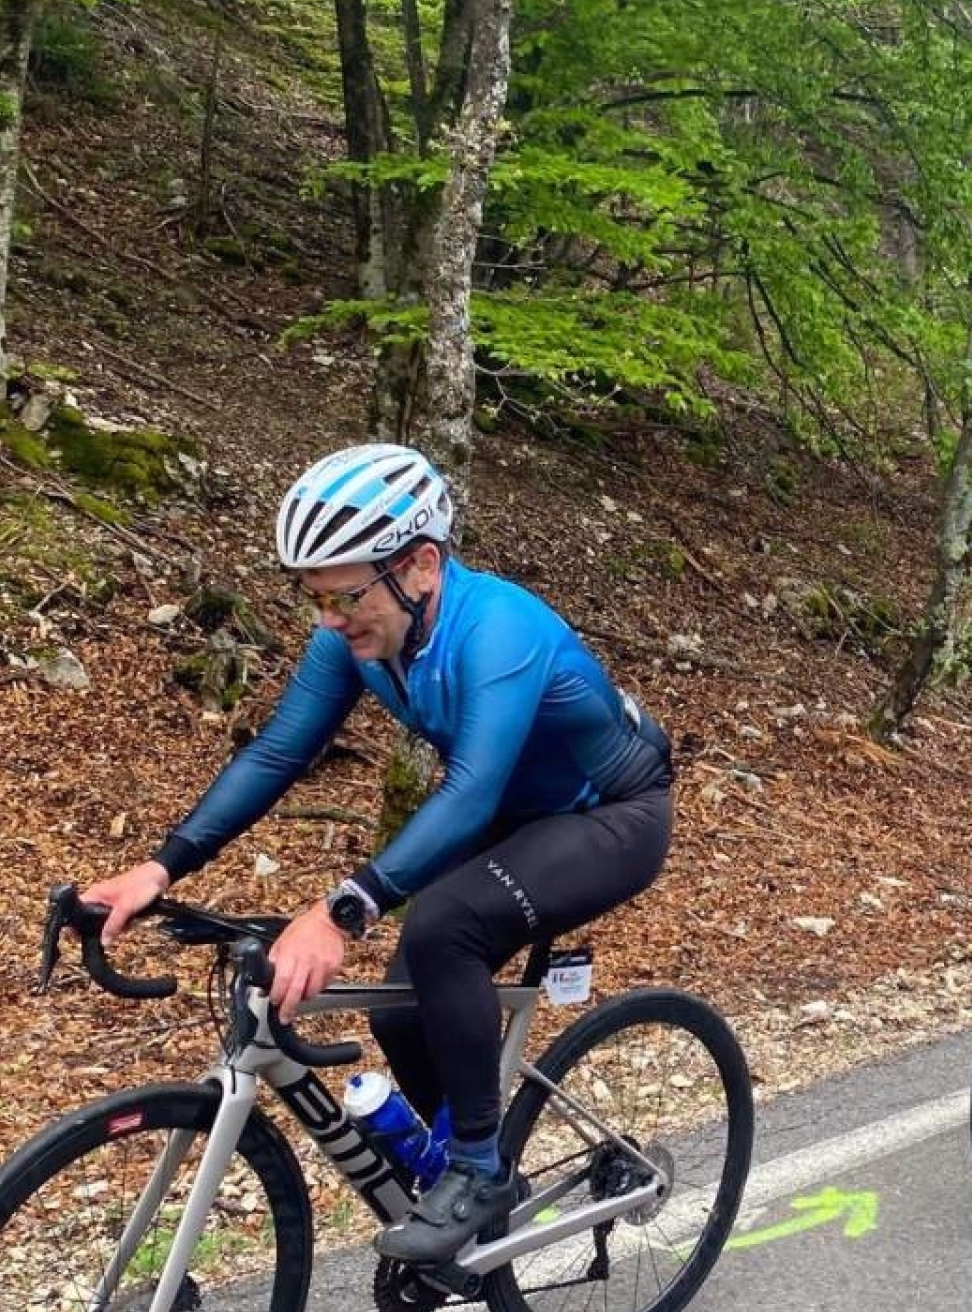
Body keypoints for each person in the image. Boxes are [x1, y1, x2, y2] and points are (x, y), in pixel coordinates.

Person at [84, 442, 675, 1263]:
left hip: (612, 815)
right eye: (314, 598)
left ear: (421, 566)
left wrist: (341, 911)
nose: (329, 620)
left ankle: (479, 1172)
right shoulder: (357, 639)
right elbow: (277, 754)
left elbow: (470, 790)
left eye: (345, 596)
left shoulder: (499, 630)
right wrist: (160, 867)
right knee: (401, 1007)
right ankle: (464, 1171)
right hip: (515, 816)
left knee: (442, 928)